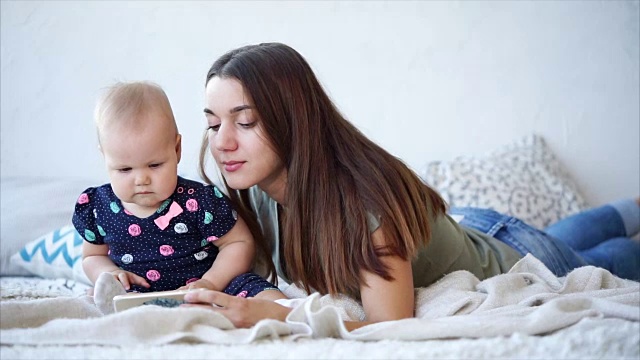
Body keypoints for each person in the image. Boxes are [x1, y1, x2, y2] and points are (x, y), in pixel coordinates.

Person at [182, 42, 640, 331]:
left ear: (294, 121)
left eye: (244, 121)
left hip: (509, 254)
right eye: (212, 123)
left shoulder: (365, 203)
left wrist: (284, 316)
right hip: (468, 227)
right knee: (567, 235)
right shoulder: (258, 193)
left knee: (603, 261)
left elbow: (389, 326)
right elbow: (245, 274)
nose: (222, 142)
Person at [72, 81, 282, 302]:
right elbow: (92, 256)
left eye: (154, 165)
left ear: (176, 149)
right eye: (124, 169)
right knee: (100, 300)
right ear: (105, 158)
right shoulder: (98, 207)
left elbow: (238, 243)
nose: (141, 179)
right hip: (137, 295)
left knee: (263, 293)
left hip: (209, 286)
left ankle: (286, 312)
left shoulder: (199, 201)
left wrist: (211, 281)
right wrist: (110, 274)